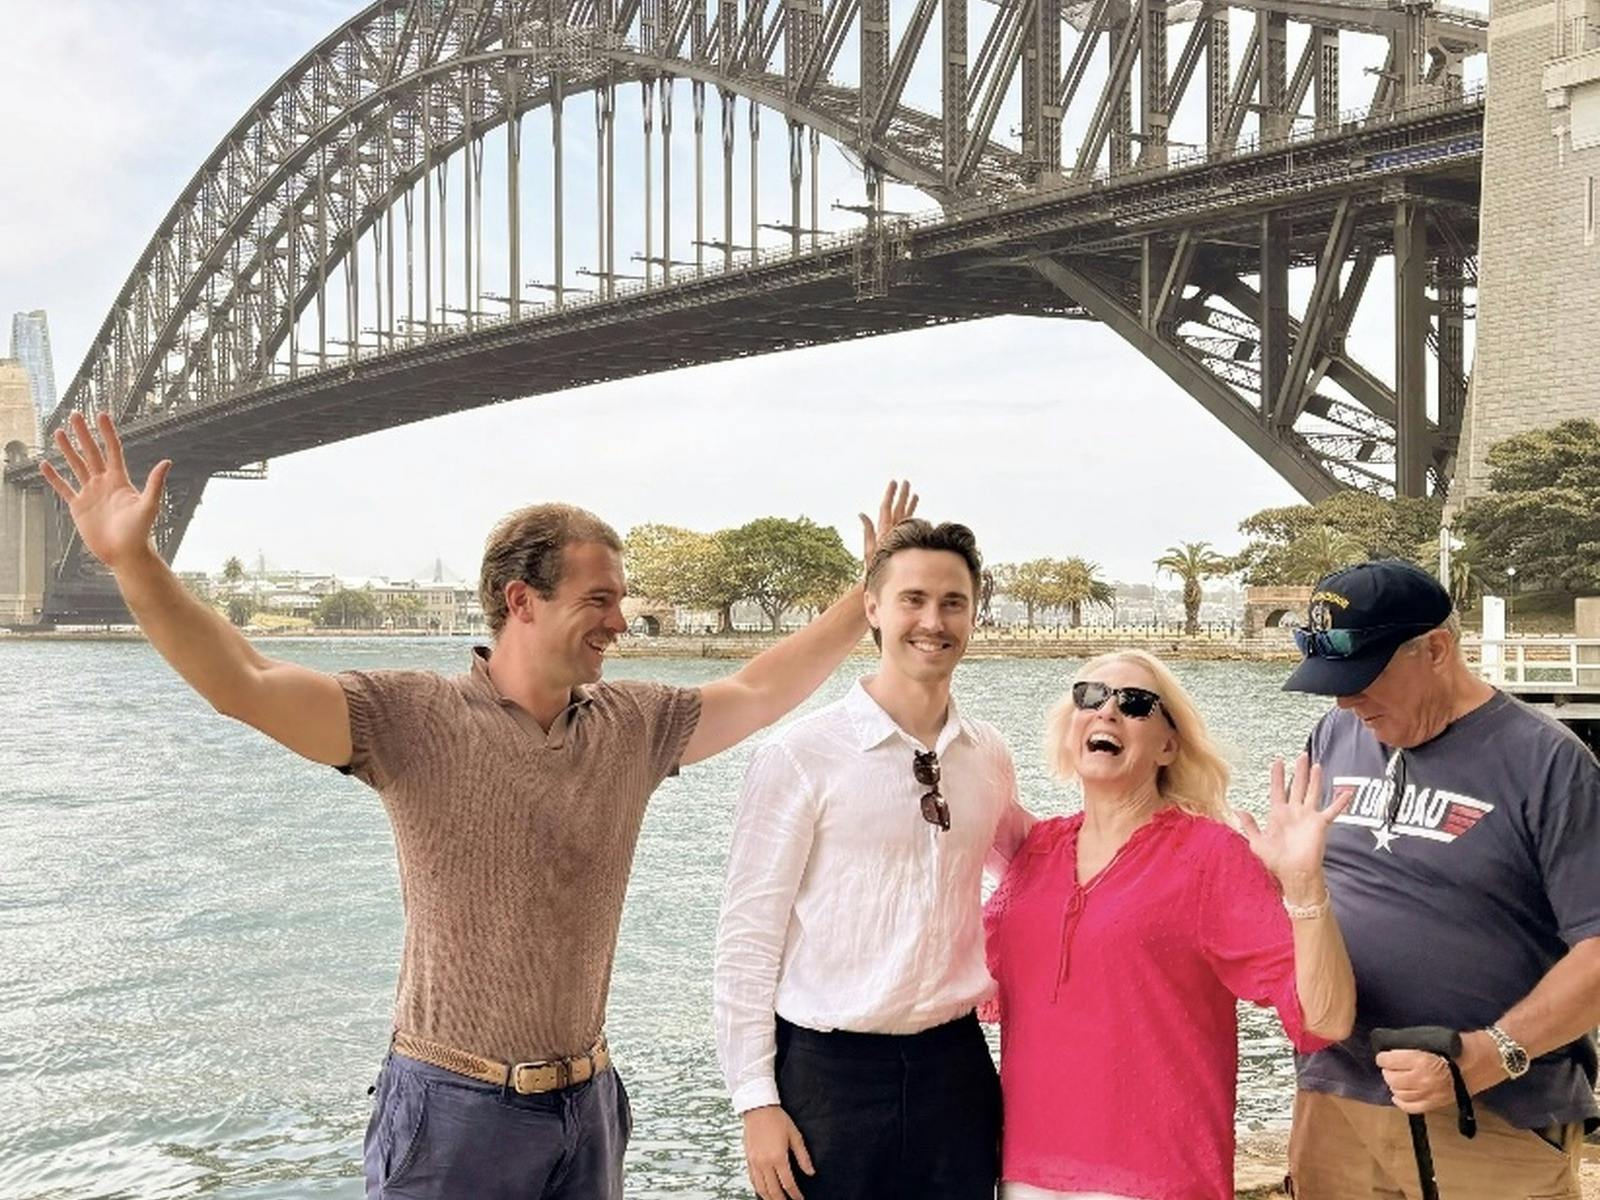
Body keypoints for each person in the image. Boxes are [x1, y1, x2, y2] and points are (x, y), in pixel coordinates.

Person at [40, 411, 917, 1200]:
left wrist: (864, 592)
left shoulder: (633, 724)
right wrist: (134, 560)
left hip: (591, 1107)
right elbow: (247, 681)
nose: (622, 621)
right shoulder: (407, 718)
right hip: (451, 1111)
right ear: (520, 600)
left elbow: (760, 689)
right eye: (599, 599)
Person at [714, 519, 1033, 1200]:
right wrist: (754, 1100)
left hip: (956, 1070)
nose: (932, 621)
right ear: (873, 610)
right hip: (827, 1078)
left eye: (953, 603)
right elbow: (747, 938)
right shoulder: (799, 755)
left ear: (975, 613)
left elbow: (1041, 861)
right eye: (912, 599)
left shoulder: (988, 756)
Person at [984, 649, 1356, 1200]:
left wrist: (1304, 887)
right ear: (1071, 727)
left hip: (1159, 1179)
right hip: (1024, 1174)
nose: (1107, 711)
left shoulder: (1209, 856)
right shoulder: (1035, 851)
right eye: (1090, 696)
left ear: (1168, 745)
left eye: (1135, 704)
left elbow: (1325, 1020)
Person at [1281, 559, 1600, 1200]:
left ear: (1436, 649)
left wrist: (1489, 1054)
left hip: (1492, 1114)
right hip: (1336, 1100)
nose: (1346, 699)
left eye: (1364, 676)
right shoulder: (1336, 731)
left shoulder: (1550, 762)